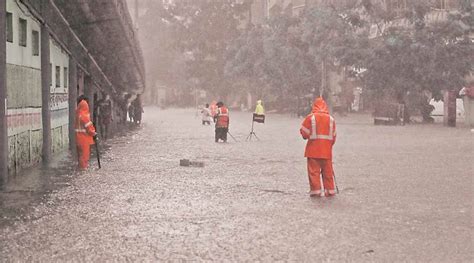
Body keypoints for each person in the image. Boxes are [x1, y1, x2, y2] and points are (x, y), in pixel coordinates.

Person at [300, 97, 337, 197]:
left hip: (313, 151)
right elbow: (333, 137)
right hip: (326, 152)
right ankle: (330, 191)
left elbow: (304, 133)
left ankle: (316, 191)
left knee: (314, 173)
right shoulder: (331, 119)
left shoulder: (310, 117)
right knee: (328, 173)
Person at [76, 95, 97, 170]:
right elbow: (89, 128)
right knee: (85, 155)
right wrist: (94, 133)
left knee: (80, 156)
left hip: (78, 139)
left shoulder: (78, 115)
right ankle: (83, 170)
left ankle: (80, 168)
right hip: (84, 139)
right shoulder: (84, 116)